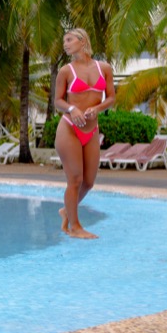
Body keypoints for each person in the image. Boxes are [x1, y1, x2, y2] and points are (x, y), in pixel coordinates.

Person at [54, 28, 115, 239]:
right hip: (69, 128)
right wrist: (73, 109)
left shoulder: (104, 68)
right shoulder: (65, 71)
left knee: (89, 182)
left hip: (92, 130)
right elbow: (58, 101)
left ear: (82, 41)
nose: (66, 44)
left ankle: (66, 210)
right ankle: (75, 226)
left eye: (69, 40)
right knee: (75, 180)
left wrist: (97, 109)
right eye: (64, 41)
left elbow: (110, 98)